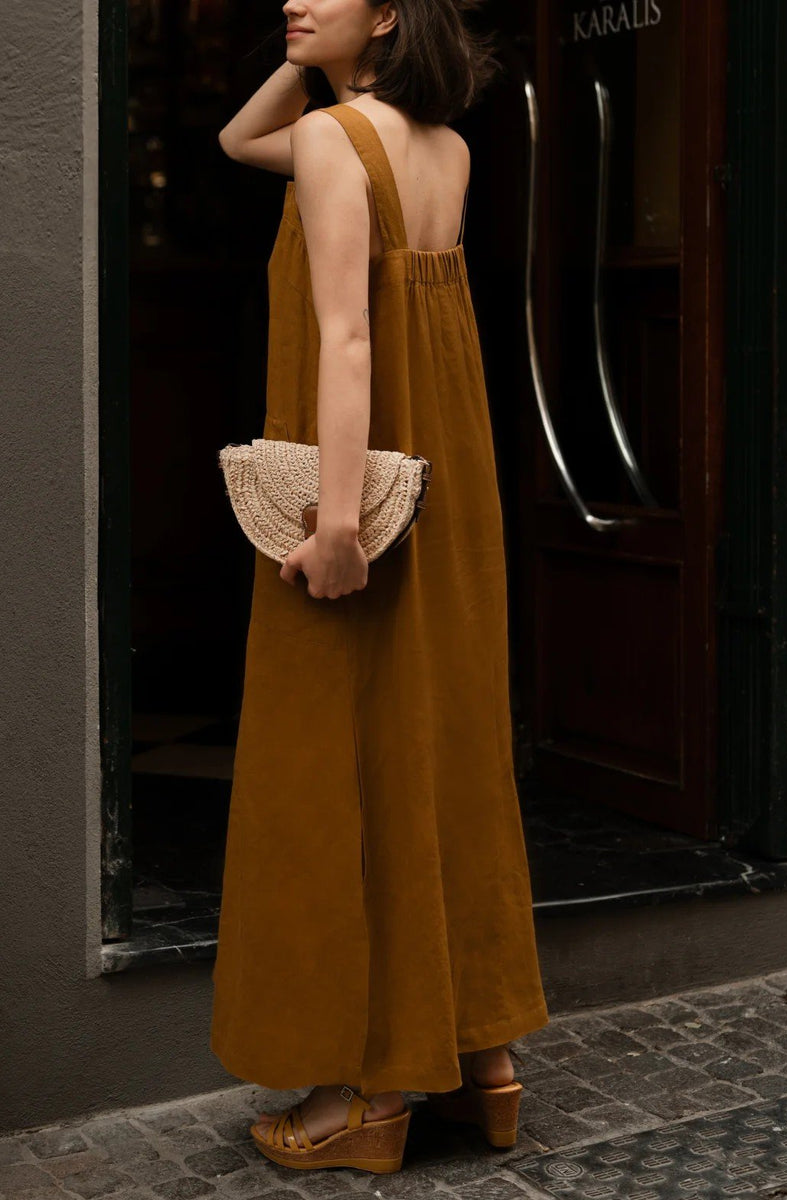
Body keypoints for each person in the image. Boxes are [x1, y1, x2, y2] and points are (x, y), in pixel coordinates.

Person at [210, 0, 550, 1175]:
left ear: (394, 11)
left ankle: (368, 1094)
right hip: (448, 476)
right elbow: (237, 141)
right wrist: (311, 62)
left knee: (342, 765)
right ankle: (484, 1057)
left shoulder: (331, 143)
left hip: (358, 485)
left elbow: (347, 337)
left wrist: (340, 524)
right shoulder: (446, 147)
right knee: (442, 744)